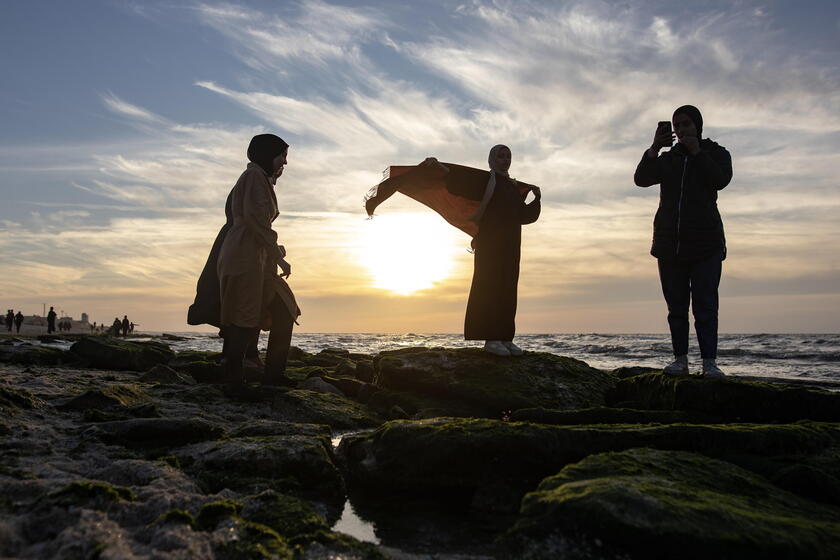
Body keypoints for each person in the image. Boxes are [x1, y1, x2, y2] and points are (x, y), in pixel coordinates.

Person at [365, 145, 541, 356]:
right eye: (500, 156)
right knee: (488, 288)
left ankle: (505, 337)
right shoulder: (486, 181)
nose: (504, 160)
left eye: (507, 156)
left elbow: (523, 216)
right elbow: (460, 182)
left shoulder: (512, 187)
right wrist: (439, 167)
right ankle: (490, 339)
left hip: (511, 244)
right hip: (489, 242)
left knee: (508, 288)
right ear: (491, 160)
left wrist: (536, 199)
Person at [634, 105, 732, 378]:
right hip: (669, 244)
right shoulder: (668, 158)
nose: (680, 129)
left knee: (706, 306)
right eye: (677, 125)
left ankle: (709, 363)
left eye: (686, 124)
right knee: (676, 307)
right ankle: (680, 360)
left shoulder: (716, 153)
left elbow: (721, 179)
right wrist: (654, 147)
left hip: (706, 244)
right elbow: (641, 179)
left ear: (697, 126)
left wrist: (697, 152)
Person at [212, 133, 300, 384]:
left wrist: (274, 249)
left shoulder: (259, 178)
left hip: (255, 254)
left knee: (281, 309)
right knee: (245, 316)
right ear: (267, 154)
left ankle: (272, 374)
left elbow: (256, 222)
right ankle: (234, 376)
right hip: (245, 256)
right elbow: (255, 220)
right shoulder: (253, 176)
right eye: (282, 156)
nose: (285, 162)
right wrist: (279, 256)